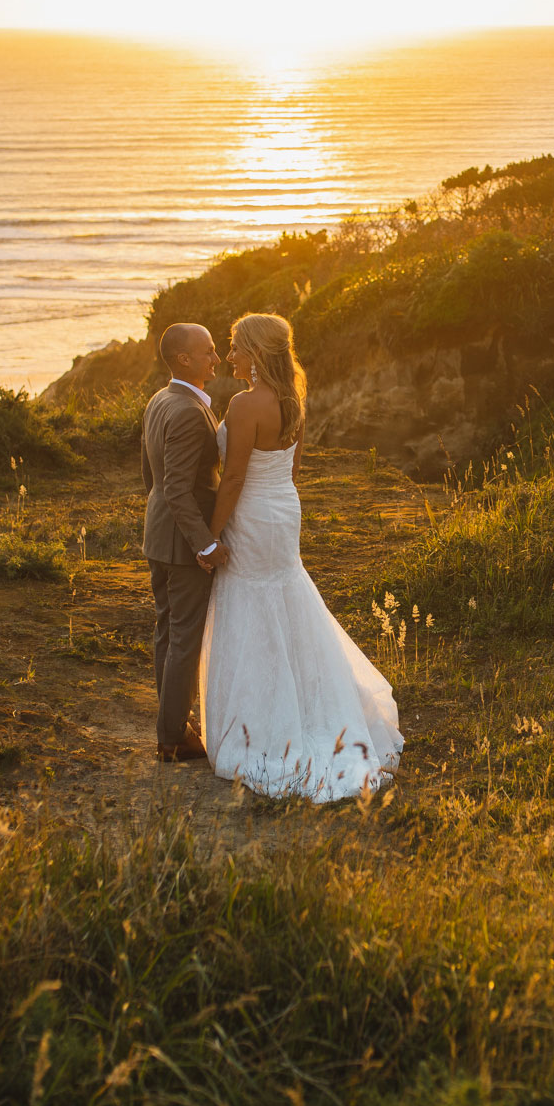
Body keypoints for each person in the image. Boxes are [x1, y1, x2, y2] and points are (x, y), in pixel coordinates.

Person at [198, 312, 402, 801]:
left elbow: (234, 479)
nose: (229, 356)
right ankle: (316, 707)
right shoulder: (293, 400)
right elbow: (293, 466)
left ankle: (270, 724)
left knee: (254, 603)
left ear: (257, 351)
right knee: (286, 597)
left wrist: (209, 534)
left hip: (252, 514)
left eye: (236, 347)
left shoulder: (246, 405)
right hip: (284, 508)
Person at [140, 321, 228, 762]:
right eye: (208, 351)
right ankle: (172, 737)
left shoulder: (160, 399)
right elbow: (177, 487)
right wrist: (205, 543)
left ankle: (172, 723)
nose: (216, 358)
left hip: (159, 535)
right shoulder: (191, 412)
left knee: (166, 633)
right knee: (183, 640)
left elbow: (151, 477)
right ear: (183, 359)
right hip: (181, 542)